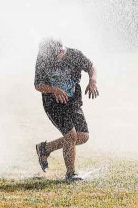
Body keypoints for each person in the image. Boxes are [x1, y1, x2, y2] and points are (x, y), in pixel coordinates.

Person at [33, 37, 98, 182]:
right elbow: (37, 85)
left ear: (61, 51)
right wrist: (54, 90)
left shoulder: (74, 54)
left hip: (72, 100)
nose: (50, 61)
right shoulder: (43, 57)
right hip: (53, 103)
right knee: (71, 135)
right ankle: (71, 173)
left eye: (53, 58)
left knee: (82, 136)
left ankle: (45, 148)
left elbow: (91, 66)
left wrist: (92, 81)